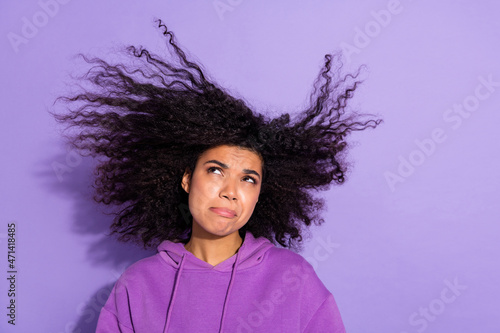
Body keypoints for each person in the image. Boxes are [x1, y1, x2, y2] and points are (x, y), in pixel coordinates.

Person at [54, 20, 380, 332]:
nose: (230, 191)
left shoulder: (294, 279)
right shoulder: (137, 284)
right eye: (215, 171)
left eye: (248, 179)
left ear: (261, 193)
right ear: (186, 178)